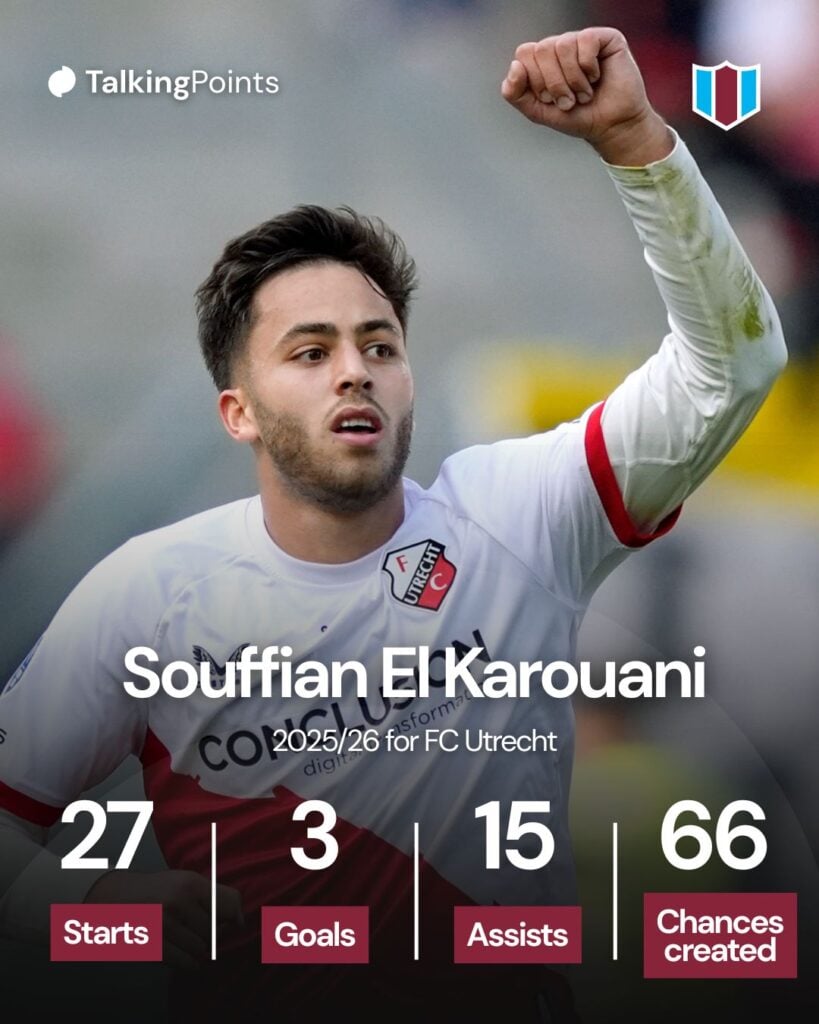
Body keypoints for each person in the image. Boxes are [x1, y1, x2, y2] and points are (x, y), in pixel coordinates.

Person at [0, 26, 786, 1024]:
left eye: (379, 343)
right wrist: (112, 906)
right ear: (237, 411)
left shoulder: (521, 513)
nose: (355, 369)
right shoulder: (148, 595)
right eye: (310, 350)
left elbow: (733, 370)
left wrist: (639, 142)